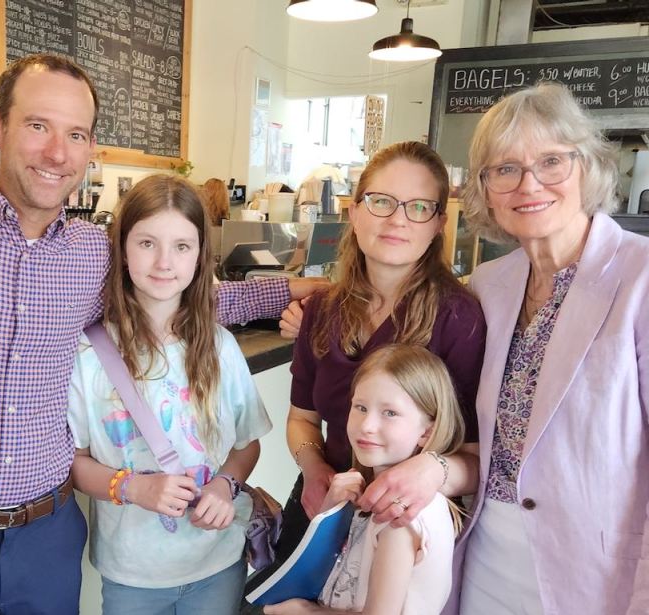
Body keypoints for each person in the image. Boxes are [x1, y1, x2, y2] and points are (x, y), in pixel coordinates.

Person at [0, 54, 317, 614]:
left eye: (76, 134)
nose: (57, 153)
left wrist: (304, 290)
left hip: (47, 534)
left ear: (90, 148)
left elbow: (182, 295)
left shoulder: (91, 251)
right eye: (38, 125)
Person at [450, 83, 649, 615]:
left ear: (588, 167)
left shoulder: (641, 277)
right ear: (486, 189)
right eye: (505, 168)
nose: (529, 184)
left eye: (551, 161)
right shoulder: (488, 284)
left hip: (599, 573)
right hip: (487, 557)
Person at [257, 142, 485, 595]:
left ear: (438, 224)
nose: (398, 220)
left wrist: (430, 471)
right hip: (324, 505)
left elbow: (477, 460)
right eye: (382, 201)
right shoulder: (320, 311)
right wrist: (314, 468)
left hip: (400, 524)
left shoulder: (460, 319)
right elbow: (302, 420)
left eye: (418, 207)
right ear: (355, 211)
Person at [68, 174, 271, 614]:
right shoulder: (88, 354)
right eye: (147, 243)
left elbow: (247, 444)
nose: (164, 262)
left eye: (182, 246)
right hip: (132, 573)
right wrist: (132, 487)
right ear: (122, 249)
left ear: (200, 256)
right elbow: (74, 462)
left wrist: (225, 484)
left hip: (218, 560)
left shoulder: (220, 347)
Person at [265, 344, 466, 615]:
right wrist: (330, 512)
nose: (367, 425)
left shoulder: (399, 516)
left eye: (390, 413)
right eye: (360, 407)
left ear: (426, 433)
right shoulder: (367, 494)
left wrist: (304, 611)